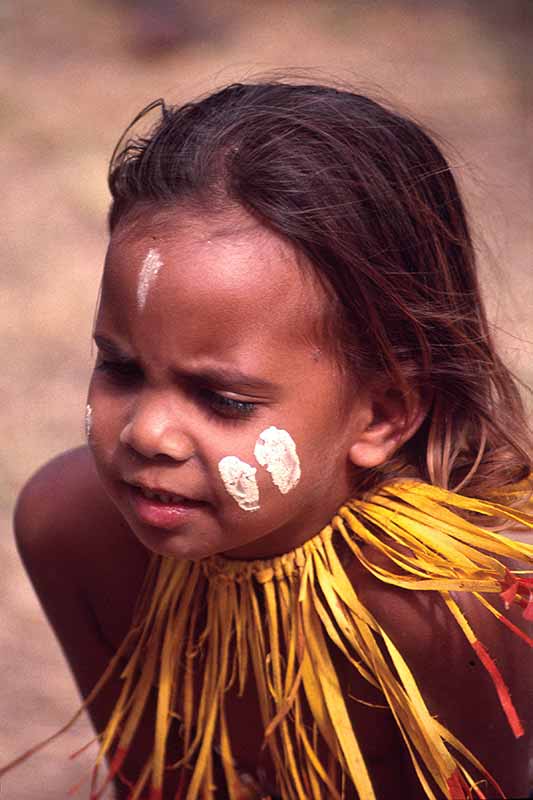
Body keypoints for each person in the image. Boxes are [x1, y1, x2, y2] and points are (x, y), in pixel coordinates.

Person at [5, 81, 533, 799]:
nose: (146, 433)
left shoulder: (458, 611)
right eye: (121, 368)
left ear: (382, 415)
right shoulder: (67, 526)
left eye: (223, 399)